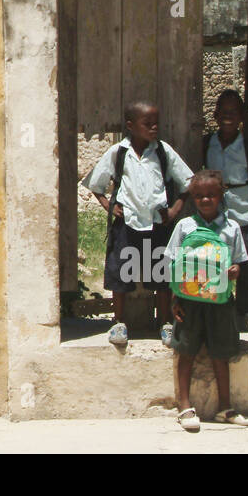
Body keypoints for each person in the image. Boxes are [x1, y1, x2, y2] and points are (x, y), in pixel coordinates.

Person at [82, 101, 193, 347]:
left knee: (161, 274)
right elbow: (95, 184)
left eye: (156, 123)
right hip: (127, 223)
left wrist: (175, 209)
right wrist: (108, 205)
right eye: (147, 124)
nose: (154, 128)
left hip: (157, 224)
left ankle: (164, 323)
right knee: (121, 272)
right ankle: (119, 322)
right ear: (131, 126)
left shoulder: (163, 151)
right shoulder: (118, 153)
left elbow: (189, 181)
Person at [166, 169, 248, 431]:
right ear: (193, 198)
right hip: (190, 299)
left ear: (221, 195)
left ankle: (225, 408)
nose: (206, 200)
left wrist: (235, 272)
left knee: (221, 352)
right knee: (186, 350)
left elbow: (238, 264)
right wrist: (175, 299)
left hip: (220, 300)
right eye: (200, 196)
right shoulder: (185, 227)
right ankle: (184, 406)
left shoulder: (231, 228)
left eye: (211, 195)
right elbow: (174, 264)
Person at [203, 90, 248, 333]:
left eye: (233, 112)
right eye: (223, 112)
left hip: (245, 216)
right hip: (217, 218)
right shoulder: (207, 144)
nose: (228, 116)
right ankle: (218, 311)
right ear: (215, 115)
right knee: (216, 263)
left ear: (242, 116)